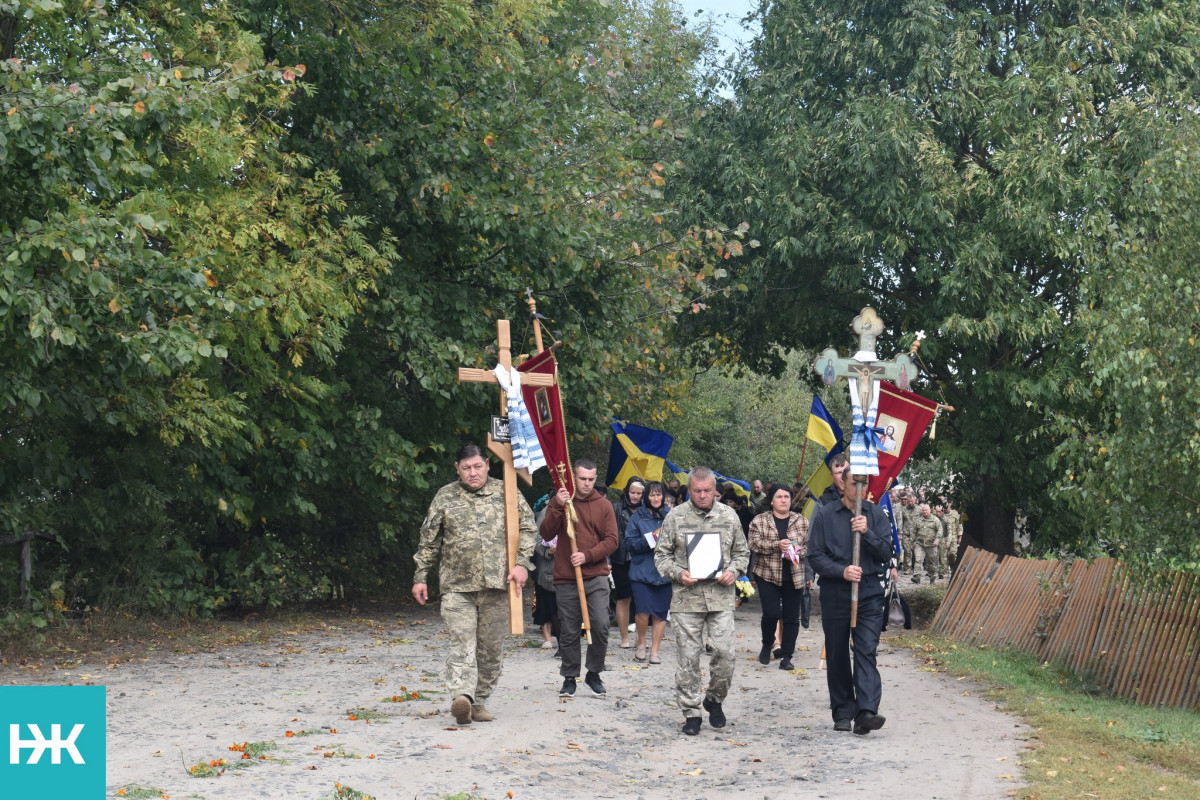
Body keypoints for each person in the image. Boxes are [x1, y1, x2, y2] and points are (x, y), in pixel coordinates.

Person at [412, 442, 536, 725]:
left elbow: (529, 528)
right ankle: (462, 697)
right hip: (457, 587)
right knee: (462, 641)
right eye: (466, 468)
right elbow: (429, 541)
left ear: (488, 466)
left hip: (498, 585)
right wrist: (420, 577)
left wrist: (521, 564)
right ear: (457, 469)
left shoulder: (507, 492)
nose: (472, 473)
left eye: (478, 466)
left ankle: (479, 701)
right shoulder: (445, 497)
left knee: (490, 649)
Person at [654, 467, 750, 736]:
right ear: (689, 490)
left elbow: (742, 552)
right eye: (697, 491)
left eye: (708, 490)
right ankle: (691, 712)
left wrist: (734, 570)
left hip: (720, 598)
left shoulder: (728, 516)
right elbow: (661, 557)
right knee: (689, 659)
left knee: (725, 654)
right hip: (687, 600)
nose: (703, 495)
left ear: (714, 489)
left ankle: (714, 699)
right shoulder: (675, 517)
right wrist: (677, 573)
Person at [808, 473, 896, 735]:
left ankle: (867, 711)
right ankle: (843, 711)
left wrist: (866, 532)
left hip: (869, 591)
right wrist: (841, 571)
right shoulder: (826, 515)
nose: (860, 488)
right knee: (836, 652)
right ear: (842, 485)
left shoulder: (876, 515)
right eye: (854, 483)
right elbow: (815, 556)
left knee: (866, 648)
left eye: (864, 483)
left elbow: (885, 552)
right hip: (836, 591)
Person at [539, 458, 619, 697]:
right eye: (582, 479)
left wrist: (588, 555)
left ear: (596, 479)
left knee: (601, 624)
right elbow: (545, 533)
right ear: (574, 478)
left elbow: (612, 541)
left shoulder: (604, 505)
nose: (586, 483)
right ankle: (569, 676)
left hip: (595, 575)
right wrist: (556, 504)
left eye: (591, 479)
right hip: (566, 577)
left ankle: (594, 673)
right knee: (569, 629)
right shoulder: (563, 503)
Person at [748, 484, 809, 670]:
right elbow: (753, 543)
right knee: (771, 613)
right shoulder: (760, 520)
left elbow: (810, 547)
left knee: (791, 618)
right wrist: (777, 545)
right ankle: (768, 643)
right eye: (779, 497)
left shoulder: (801, 521)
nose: (783, 500)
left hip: (794, 575)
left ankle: (787, 656)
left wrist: (795, 550)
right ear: (772, 500)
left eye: (787, 497)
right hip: (767, 574)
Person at [624, 480, 672, 664]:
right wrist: (651, 538)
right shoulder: (638, 517)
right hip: (641, 572)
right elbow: (629, 544)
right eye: (652, 494)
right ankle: (641, 643)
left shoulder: (671, 516)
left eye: (659, 494)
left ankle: (655, 650)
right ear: (646, 497)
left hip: (664, 573)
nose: (656, 498)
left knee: (660, 613)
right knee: (643, 611)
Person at [610, 479, 644, 649]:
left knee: (641, 599)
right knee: (623, 598)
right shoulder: (616, 508)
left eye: (639, 493)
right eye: (632, 492)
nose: (635, 496)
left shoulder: (647, 509)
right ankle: (624, 638)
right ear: (626, 491)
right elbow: (611, 534)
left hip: (641, 559)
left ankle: (640, 638)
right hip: (620, 558)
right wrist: (608, 560)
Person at [911, 504, 941, 584]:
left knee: (931, 562)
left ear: (930, 510)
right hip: (920, 543)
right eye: (923, 510)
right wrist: (912, 543)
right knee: (918, 559)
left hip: (931, 545)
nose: (924, 512)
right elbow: (914, 532)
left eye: (926, 510)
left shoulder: (935, 520)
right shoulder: (918, 520)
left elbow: (939, 530)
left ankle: (932, 577)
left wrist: (937, 540)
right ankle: (916, 576)